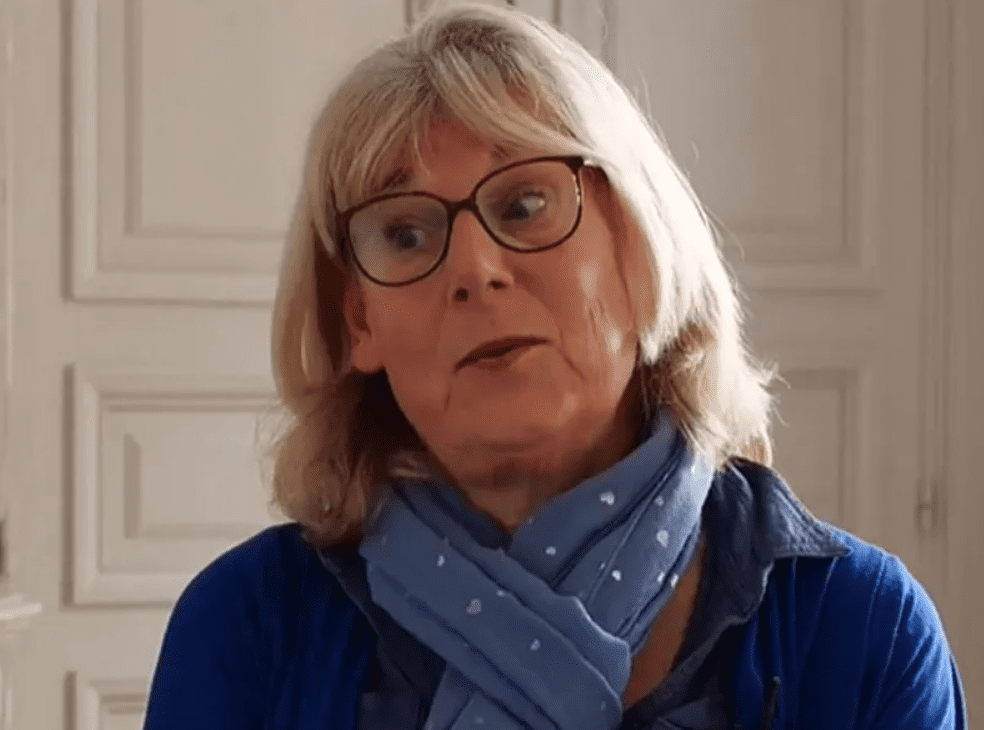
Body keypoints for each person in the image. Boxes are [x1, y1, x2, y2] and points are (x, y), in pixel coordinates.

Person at [142, 4, 968, 729]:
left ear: (640, 244)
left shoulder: (864, 628)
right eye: (406, 233)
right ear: (360, 321)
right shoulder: (247, 627)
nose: (474, 268)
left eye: (525, 205)